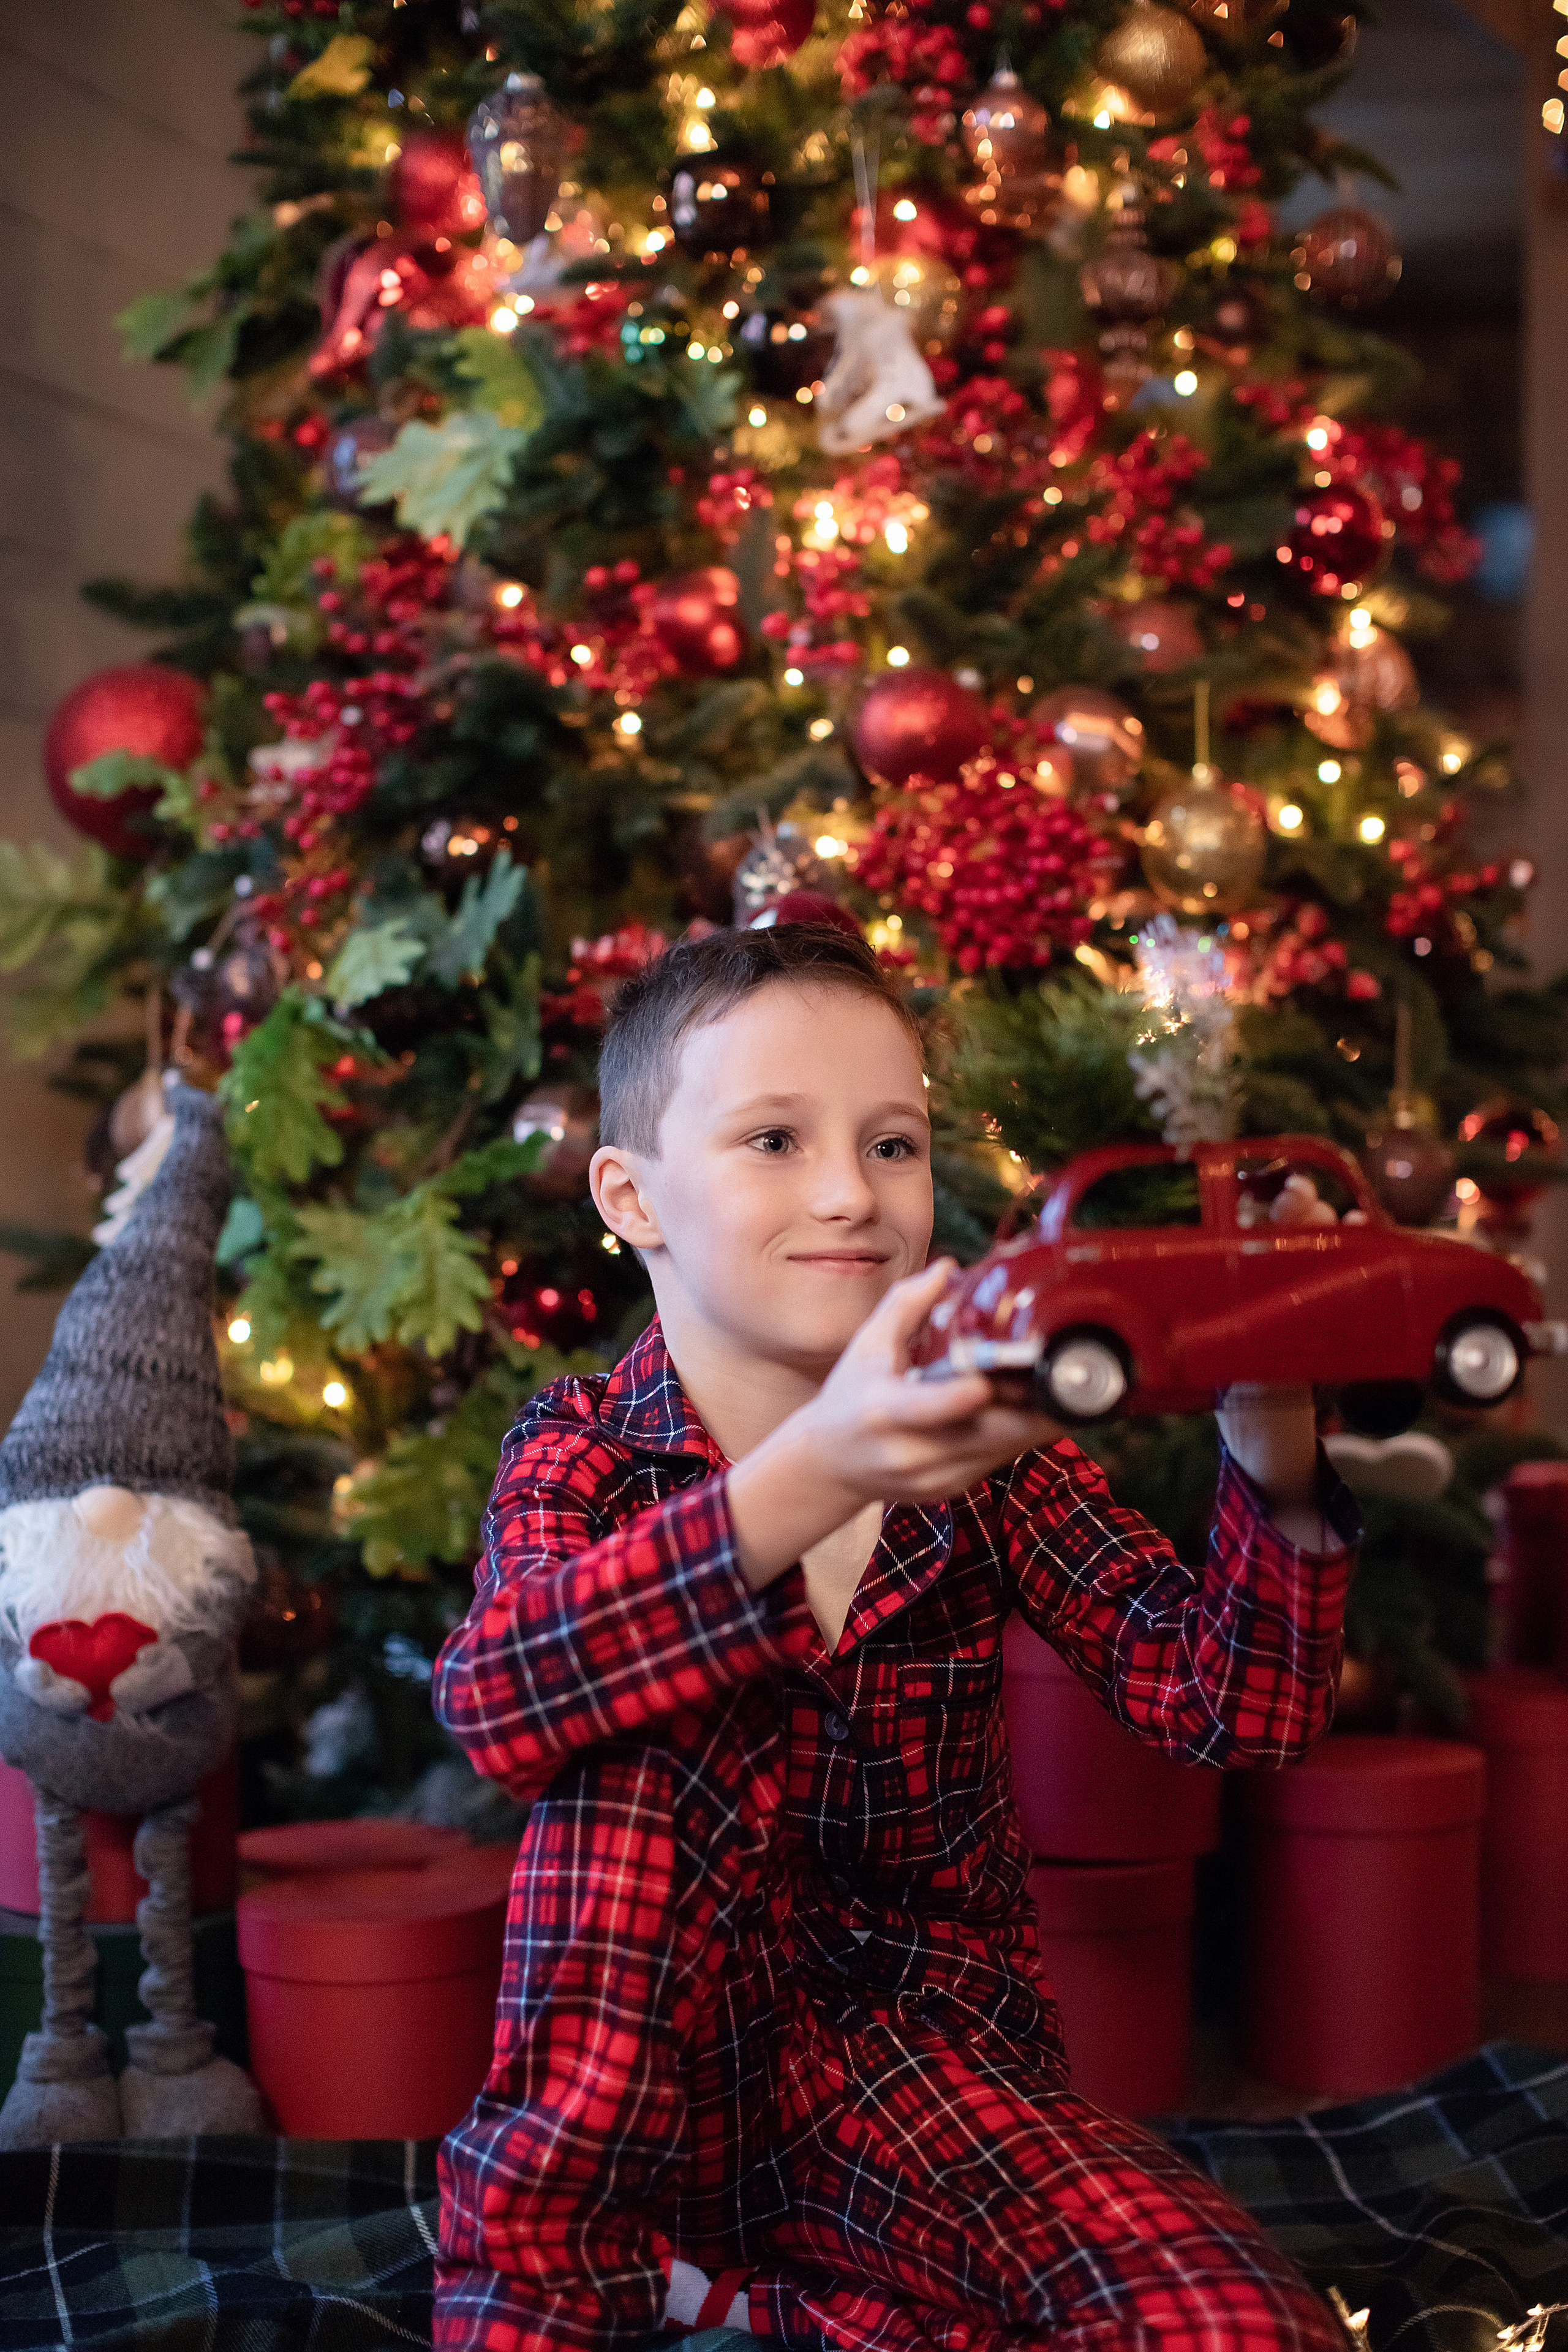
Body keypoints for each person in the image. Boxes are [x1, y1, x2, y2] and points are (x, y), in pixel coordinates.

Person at [431, 921, 1360, 2352]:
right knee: (623, 1716)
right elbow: (499, 1694)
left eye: (890, 1146)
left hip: (905, 2069)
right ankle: (558, 2284)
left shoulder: (988, 1449)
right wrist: (828, 1470)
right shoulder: (580, 1453)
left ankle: (763, 2308)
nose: (849, 1197)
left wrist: (1271, 1426)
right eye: (771, 1142)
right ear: (632, 1196)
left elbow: (1232, 1709)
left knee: (1231, 2328)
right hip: (628, 2096)